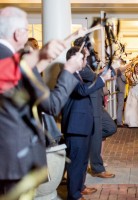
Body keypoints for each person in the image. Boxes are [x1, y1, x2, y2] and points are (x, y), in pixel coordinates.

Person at [0, 7, 83, 195]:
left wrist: (69, 39)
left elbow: (28, 70)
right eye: (27, 30)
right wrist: (68, 70)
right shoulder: (12, 61)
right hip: (16, 161)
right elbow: (52, 105)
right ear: (18, 33)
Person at [61, 46, 111, 200]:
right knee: (76, 162)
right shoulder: (69, 74)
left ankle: (79, 187)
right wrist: (102, 79)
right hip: (75, 126)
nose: (86, 60)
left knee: (82, 160)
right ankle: (74, 195)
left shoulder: (76, 74)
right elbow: (82, 91)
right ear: (76, 59)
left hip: (82, 124)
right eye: (84, 58)